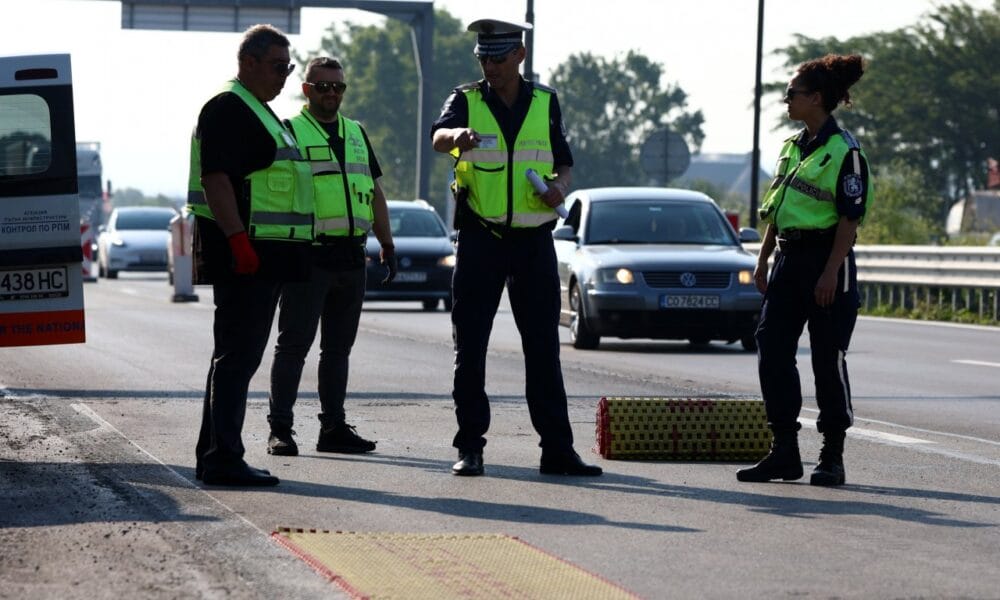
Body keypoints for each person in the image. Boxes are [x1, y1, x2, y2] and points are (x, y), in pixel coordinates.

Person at [430, 18, 602, 477]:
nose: (490, 65)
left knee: (543, 348)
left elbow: (563, 162)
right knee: (471, 347)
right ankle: (470, 447)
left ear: (519, 56)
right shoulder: (465, 98)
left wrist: (559, 189)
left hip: (532, 241)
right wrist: (457, 138)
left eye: (498, 57)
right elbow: (438, 136)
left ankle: (557, 450)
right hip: (480, 238)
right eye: (483, 58)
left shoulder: (545, 102)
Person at [737, 54, 872, 487]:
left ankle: (832, 455)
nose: (786, 100)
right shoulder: (793, 147)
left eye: (792, 93)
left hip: (828, 259)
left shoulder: (845, 151)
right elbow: (778, 209)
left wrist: (831, 272)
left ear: (816, 98)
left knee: (826, 357)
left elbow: (848, 219)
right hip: (789, 259)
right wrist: (762, 258)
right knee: (771, 346)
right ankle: (784, 451)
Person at [189, 24, 314, 487]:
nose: (285, 76)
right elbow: (216, 179)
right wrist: (238, 240)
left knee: (235, 358)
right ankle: (223, 458)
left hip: (264, 257)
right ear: (249, 63)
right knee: (237, 359)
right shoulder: (229, 108)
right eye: (279, 67)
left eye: (289, 67)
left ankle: (215, 454)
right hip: (247, 257)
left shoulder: (258, 111)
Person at [265, 57, 396, 456]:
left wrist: (386, 243)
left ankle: (333, 427)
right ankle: (281, 430)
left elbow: (374, 193)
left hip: (352, 257)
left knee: (338, 351)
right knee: (293, 347)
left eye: (338, 87)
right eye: (323, 87)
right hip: (309, 257)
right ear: (306, 90)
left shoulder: (355, 132)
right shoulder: (289, 132)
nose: (332, 94)